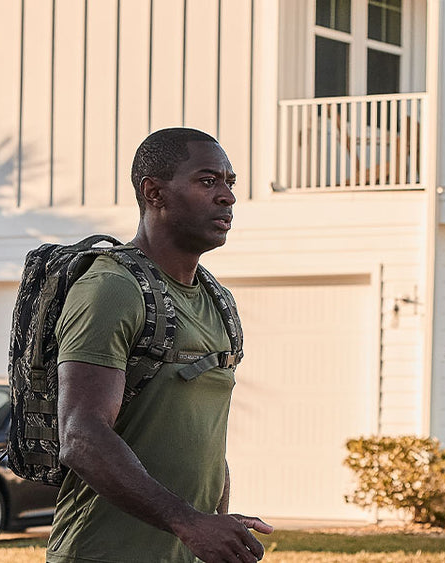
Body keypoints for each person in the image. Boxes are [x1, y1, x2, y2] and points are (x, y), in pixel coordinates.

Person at [47, 128, 274, 563]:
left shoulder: (218, 301)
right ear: (155, 193)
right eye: (208, 181)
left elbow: (205, 439)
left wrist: (213, 525)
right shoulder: (112, 288)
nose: (227, 196)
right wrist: (190, 522)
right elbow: (80, 433)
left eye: (230, 182)